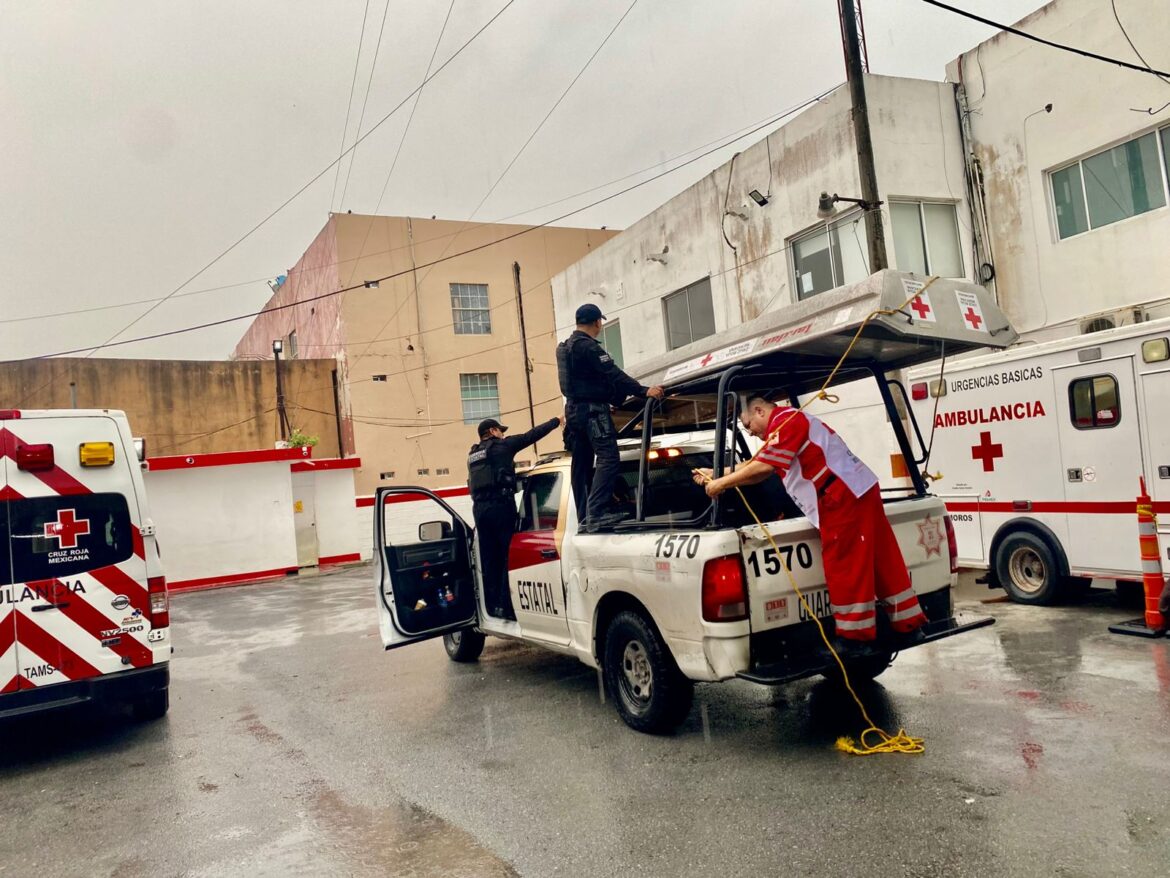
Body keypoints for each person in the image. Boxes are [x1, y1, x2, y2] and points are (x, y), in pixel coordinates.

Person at [696, 395, 927, 646]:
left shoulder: (786, 422)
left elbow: (763, 468)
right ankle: (908, 625)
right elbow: (756, 463)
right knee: (883, 560)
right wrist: (717, 473)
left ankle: (855, 639)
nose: (750, 433)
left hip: (840, 499)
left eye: (748, 425)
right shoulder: (786, 423)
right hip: (856, 491)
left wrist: (720, 484)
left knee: (845, 567)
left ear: (760, 411)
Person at [557, 303, 664, 532]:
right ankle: (597, 513)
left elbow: (586, 382)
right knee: (609, 458)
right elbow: (613, 374)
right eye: (600, 322)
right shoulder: (588, 347)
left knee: (582, 464)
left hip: (575, 412)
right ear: (597, 322)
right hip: (591, 412)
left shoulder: (568, 347)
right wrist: (644, 390)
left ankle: (585, 518)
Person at [468, 414, 563, 620]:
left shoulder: (473, 455)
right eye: (501, 431)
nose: (503, 434)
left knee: (488, 558)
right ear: (493, 431)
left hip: (479, 511)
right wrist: (555, 421)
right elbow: (531, 435)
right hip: (500, 507)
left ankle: (492, 607)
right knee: (507, 555)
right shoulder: (502, 446)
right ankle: (507, 606)